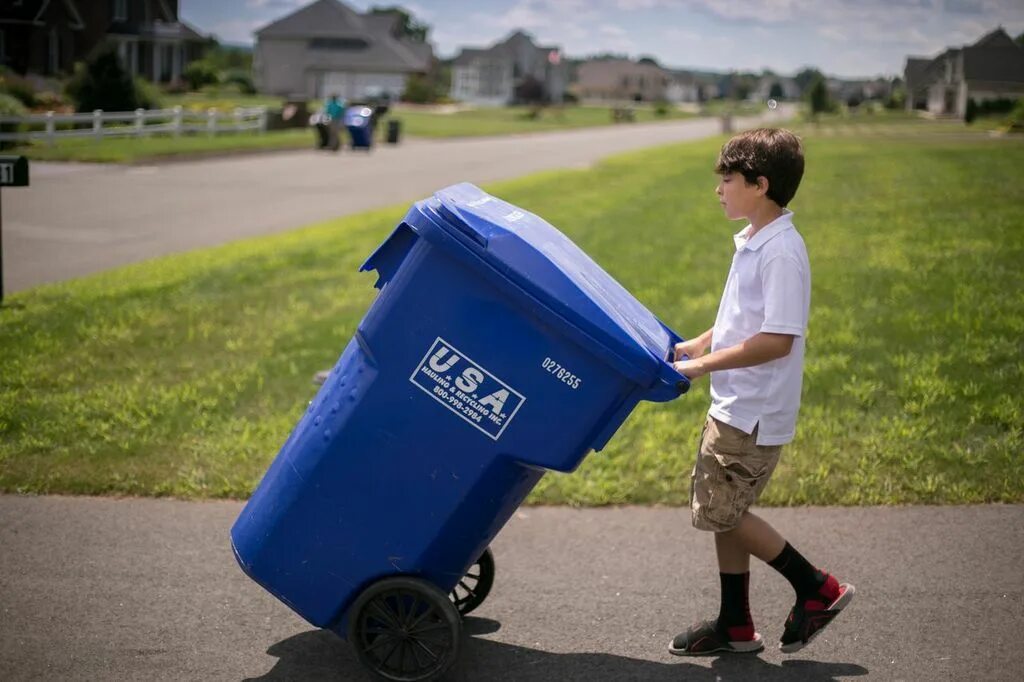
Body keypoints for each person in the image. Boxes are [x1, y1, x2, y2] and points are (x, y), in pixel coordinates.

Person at [668, 128, 854, 656]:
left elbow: (776, 339)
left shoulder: (781, 254)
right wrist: (693, 345)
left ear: (760, 183)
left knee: (722, 512)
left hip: (751, 413)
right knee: (724, 513)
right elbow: (738, 321)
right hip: (735, 405)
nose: (719, 188)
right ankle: (735, 624)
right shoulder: (754, 241)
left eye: (727, 178)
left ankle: (817, 588)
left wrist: (700, 366)